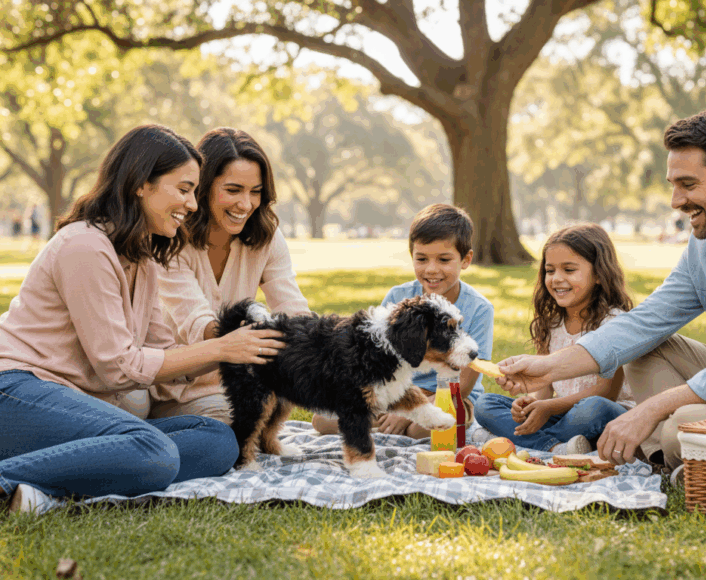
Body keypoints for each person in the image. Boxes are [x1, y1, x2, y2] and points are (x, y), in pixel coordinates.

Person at [496, 109, 706, 470]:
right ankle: (674, 456)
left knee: (679, 428)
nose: (676, 201)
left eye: (688, 185)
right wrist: (548, 368)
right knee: (641, 349)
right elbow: (643, 323)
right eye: (673, 185)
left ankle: (670, 450)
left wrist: (652, 408)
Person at [0, 125, 285, 514]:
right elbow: (120, 367)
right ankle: (7, 484)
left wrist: (234, 353)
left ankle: (45, 488)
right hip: (21, 392)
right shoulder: (84, 246)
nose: (193, 204)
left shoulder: (144, 257)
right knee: (154, 451)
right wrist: (222, 348)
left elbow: (163, 351)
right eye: (184, 189)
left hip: (80, 406)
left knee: (217, 441)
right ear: (141, 184)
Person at [152, 127, 309, 424]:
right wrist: (260, 342)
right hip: (174, 386)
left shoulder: (267, 236)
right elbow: (200, 324)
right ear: (204, 186)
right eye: (233, 190)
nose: (246, 204)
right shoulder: (172, 239)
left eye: (256, 192)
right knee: (234, 429)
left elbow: (294, 309)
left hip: (235, 385)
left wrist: (317, 345)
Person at [312, 203, 494, 438]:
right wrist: (396, 404)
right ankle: (387, 425)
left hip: (453, 396)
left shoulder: (480, 308)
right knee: (322, 421)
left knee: (420, 428)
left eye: (444, 259)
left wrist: (412, 410)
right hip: (398, 390)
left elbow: (465, 383)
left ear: (465, 260)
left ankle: (389, 426)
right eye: (422, 259)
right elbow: (376, 362)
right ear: (412, 257)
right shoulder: (398, 298)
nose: (431, 269)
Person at [473, 224, 635, 454]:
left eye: (569, 270)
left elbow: (606, 392)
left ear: (599, 274)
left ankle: (514, 439)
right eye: (550, 271)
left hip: (605, 413)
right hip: (560, 413)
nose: (557, 279)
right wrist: (529, 404)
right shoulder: (550, 324)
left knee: (592, 409)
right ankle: (557, 446)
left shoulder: (613, 323)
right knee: (485, 405)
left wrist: (548, 407)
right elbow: (543, 388)